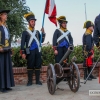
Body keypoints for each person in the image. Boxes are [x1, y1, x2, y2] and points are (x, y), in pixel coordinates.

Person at [20, 12, 46, 86]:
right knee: (30, 65)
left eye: (34, 21)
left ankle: (38, 81)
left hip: (37, 51)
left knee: (38, 65)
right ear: (29, 22)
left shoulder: (37, 32)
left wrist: (43, 33)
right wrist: (23, 53)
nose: (33, 23)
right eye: (32, 21)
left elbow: (42, 40)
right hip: (30, 51)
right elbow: (22, 44)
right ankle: (29, 81)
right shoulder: (25, 32)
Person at [52, 16, 73, 83]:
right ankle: (58, 76)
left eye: (65, 23)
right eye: (64, 23)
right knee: (59, 62)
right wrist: (55, 49)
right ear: (61, 24)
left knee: (66, 63)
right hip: (59, 49)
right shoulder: (57, 31)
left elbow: (71, 40)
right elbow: (54, 40)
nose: (65, 24)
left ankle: (65, 76)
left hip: (66, 49)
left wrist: (70, 45)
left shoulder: (68, 32)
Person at [0, 9, 15, 93]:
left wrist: (10, 48)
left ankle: (6, 85)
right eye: (5, 14)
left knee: (7, 67)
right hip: (1, 49)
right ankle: (1, 87)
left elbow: (8, 38)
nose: (6, 16)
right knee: (1, 67)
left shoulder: (5, 26)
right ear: (1, 16)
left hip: (7, 48)